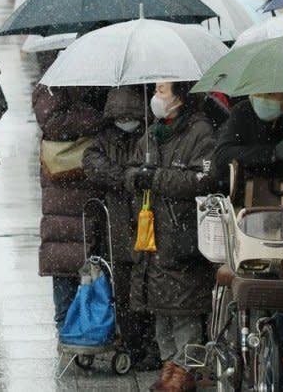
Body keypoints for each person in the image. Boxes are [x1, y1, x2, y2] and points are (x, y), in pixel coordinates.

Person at [215, 91, 283, 391]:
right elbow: (222, 157)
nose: (265, 98)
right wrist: (270, 154)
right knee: (276, 325)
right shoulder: (242, 114)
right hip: (255, 235)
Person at [126, 81, 216, 391]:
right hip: (151, 234)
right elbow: (132, 169)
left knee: (183, 309)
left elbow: (202, 179)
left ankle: (185, 369)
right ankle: (169, 364)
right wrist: (138, 176)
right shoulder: (152, 133)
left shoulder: (201, 132)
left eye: (162, 91)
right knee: (160, 309)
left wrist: (156, 177)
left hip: (181, 234)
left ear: (180, 96)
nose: (155, 97)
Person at [82, 86, 161, 370]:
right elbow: (92, 163)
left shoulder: (151, 136)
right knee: (126, 288)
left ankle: (146, 345)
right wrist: (129, 176)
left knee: (143, 287)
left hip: (143, 223)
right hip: (120, 225)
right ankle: (135, 343)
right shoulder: (105, 140)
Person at [33, 84, 106, 330]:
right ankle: (65, 322)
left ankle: (92, 318)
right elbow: (52, 122)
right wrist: (97, 119)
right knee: (64, 253)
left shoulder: (89, 79)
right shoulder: (54, 84)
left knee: (90, 253)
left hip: (89, 181)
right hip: (64, 183)